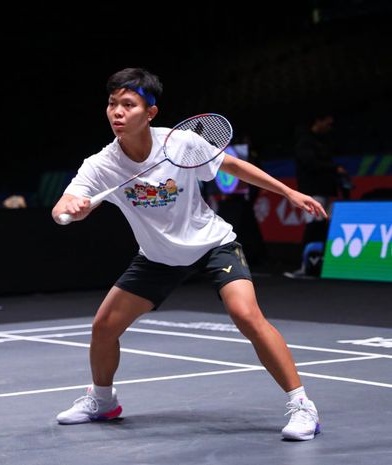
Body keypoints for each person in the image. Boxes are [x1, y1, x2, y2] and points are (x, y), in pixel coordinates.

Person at [51, 68, 326, 441]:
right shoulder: (103, 164)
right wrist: (73, 208)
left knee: (246, 314)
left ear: (150, 113)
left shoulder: (179, 143)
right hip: (157, 256)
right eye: (112, 104)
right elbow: (65, 202)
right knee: (103, 328)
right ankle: (103, 401)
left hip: (212, 245)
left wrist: (288, 193)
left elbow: (233, 166)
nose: (117, 112)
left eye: (128, 105)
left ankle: (301, 406)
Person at [284, 111, 347, 279]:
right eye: (327, 123)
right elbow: (310, 163)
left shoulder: (325, 141)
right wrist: (334, 168)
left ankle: (319, 265)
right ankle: (306, 266)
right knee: (313, 226)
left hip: (326, 190)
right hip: (312, 192)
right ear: (318, 120)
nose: (329, 127)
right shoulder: (305, 141)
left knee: (322, 227)